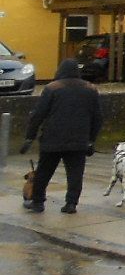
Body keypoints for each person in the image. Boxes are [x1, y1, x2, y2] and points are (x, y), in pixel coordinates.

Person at [21, 57, 103, 214]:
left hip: (52, 139)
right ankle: (71, 204)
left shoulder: (52, 88)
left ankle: (38, 202)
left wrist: (29, 137)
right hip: (79, 140)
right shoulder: (90, 89)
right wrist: (91, 140)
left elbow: (38, 115)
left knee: (44, 171)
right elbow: (97, 118)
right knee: (75, 174)